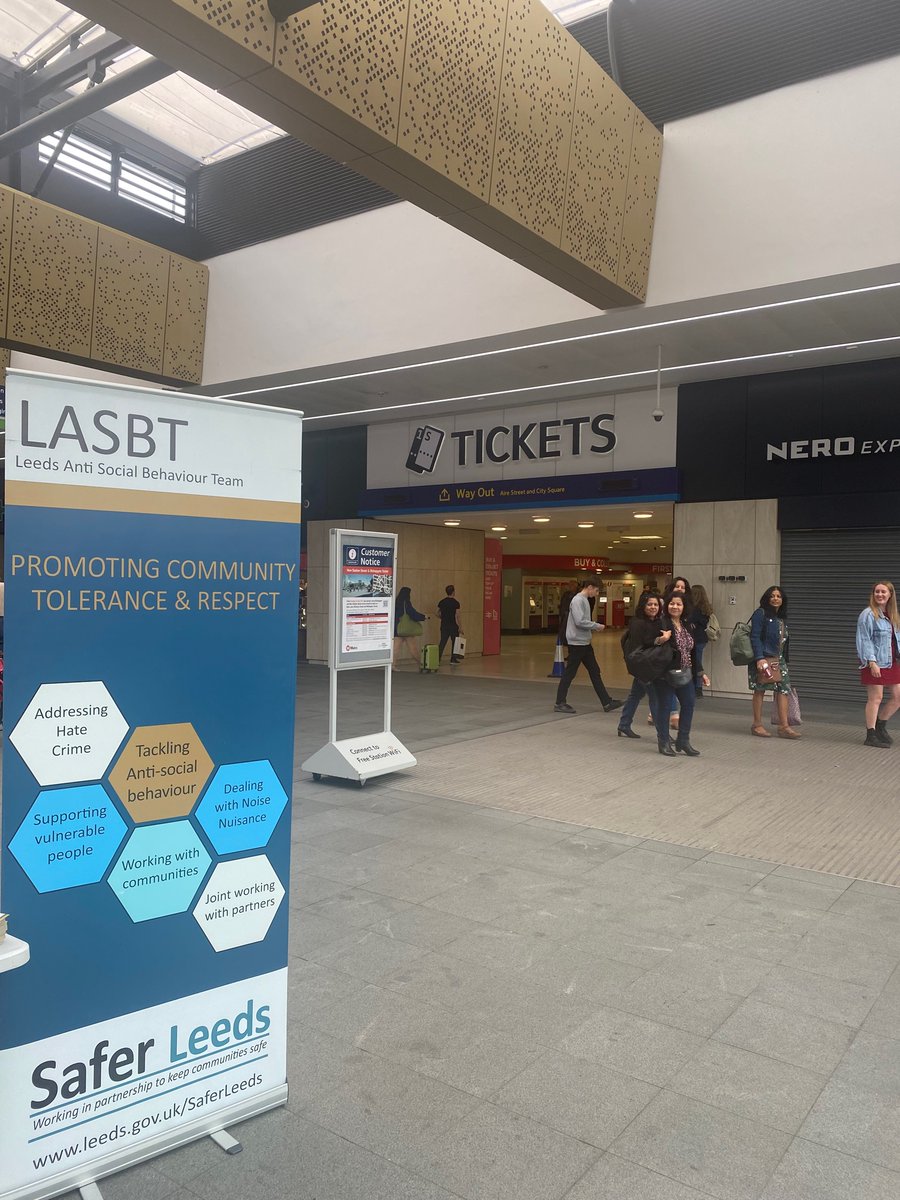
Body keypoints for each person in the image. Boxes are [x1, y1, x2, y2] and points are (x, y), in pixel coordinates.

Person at [649, 591, 709, 756]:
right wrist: (661, 639)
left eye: (679, 604)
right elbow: (649, 644)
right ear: (667, 605)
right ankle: (664, 742)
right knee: (665, 707)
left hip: (685, 672)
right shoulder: (661, 623)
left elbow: (692, 652)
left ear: (684, 607)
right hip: (664, 674)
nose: (675, 607)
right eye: (672, 603)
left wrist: (700, 673)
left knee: (689, 704)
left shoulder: (687, 625)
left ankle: (683, 740)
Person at [553, 576, 622, 715]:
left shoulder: (583, 600)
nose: (596, 594)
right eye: (596, 591)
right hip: (578, 643)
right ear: (589, 587)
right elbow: (579, 621)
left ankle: (607, 702)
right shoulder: (578, 600)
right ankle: (560, 702)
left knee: (594, 671)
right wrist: (596, 626)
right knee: (570, 673)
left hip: (583, 642)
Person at [749, 585, 799, 739]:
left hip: (779, 659)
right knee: (760, 689)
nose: (775, 598)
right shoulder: (760, 613)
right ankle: (757, 725)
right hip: (763, 657)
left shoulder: (780, 617)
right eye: (772, 596)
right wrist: (759, 658)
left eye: (778, 596)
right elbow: (755, 636)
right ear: (767, 598)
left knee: (784, 689)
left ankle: (784, 726)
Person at [856, 580, 900, 748]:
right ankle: (871, 734)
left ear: (890, 595)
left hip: (891, 662)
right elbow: (864, 639)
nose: (880, 595)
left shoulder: (892, 614)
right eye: (877, 592)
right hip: (875, 662)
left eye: (883, 592)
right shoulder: (868, 614)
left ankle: (881, 725)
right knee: (876, 698)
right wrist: (871, 661)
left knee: (898, 697)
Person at [617, 592, 666, 738]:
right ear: (643, 606)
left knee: (635, 694)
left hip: (647, 664)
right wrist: (659, 640)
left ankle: (624, 724)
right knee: (655, 698)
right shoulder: (638, 622)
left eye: (656, 604)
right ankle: (662, 734)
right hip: (643, 666)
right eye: (649, 604)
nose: (653, 607)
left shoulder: (657, 621)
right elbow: (641, 644)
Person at [688, 584, 712, 698]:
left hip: (694, 638)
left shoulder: (693, 609)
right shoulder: (706, 607)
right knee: (697, 661)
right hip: (702, 638)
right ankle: (697, 687)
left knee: (695, 663)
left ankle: (697, 688)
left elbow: (690, 620)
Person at [393, 586, 427, 667]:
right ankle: (422, 664)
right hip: (406, 630)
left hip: (398, 629)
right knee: (413, 649)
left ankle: (392, 665)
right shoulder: (406, 603)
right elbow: (413, 614)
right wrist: (423, 617)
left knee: (395, 649)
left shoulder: (396, 602)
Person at [437, 584, 463, 664]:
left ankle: (437, 658)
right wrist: (460, 627)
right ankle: (453, 659)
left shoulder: (442, 602)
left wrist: (442, 618)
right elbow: (458, 616)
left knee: (442, 642)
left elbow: (437, 613)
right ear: (453, 592)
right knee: (455, 642)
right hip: (453, 625)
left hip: (444, 625)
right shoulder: (456, 603)